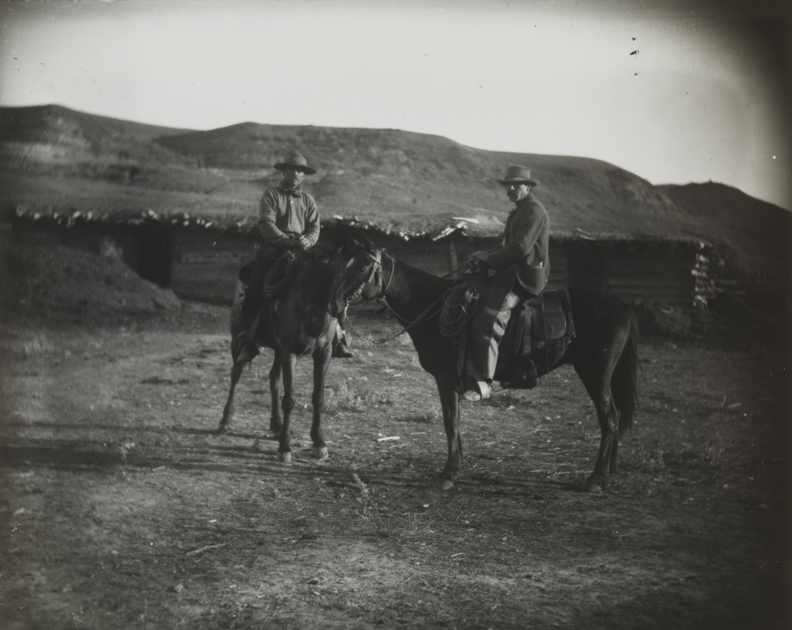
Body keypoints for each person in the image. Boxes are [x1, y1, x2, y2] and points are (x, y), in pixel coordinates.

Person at [236, 151, 351, 361]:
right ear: (284, 172)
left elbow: (314, 228)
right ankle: (247, 339)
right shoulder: (271, 195)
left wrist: (306, 241)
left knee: (329, 282)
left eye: (299, 171)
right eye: (291, 169)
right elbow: (266, 225)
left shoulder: (308, 200)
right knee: (255, 286)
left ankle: (338, 337)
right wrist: (288, 241)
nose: (295, 173)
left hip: (303, 251)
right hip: (275, 250)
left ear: (304, 175)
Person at [464, 165, 550, 401]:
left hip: (525, 276)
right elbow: (507, 246)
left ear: (528, 186)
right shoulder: (519, 210)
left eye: (515, 185)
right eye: (507, 185)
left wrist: (489, 258)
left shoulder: (533, 209)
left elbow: (520, 248)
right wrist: (484, 255)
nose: (509, 189)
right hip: (513, 271)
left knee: (489, 316)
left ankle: (484, 383)